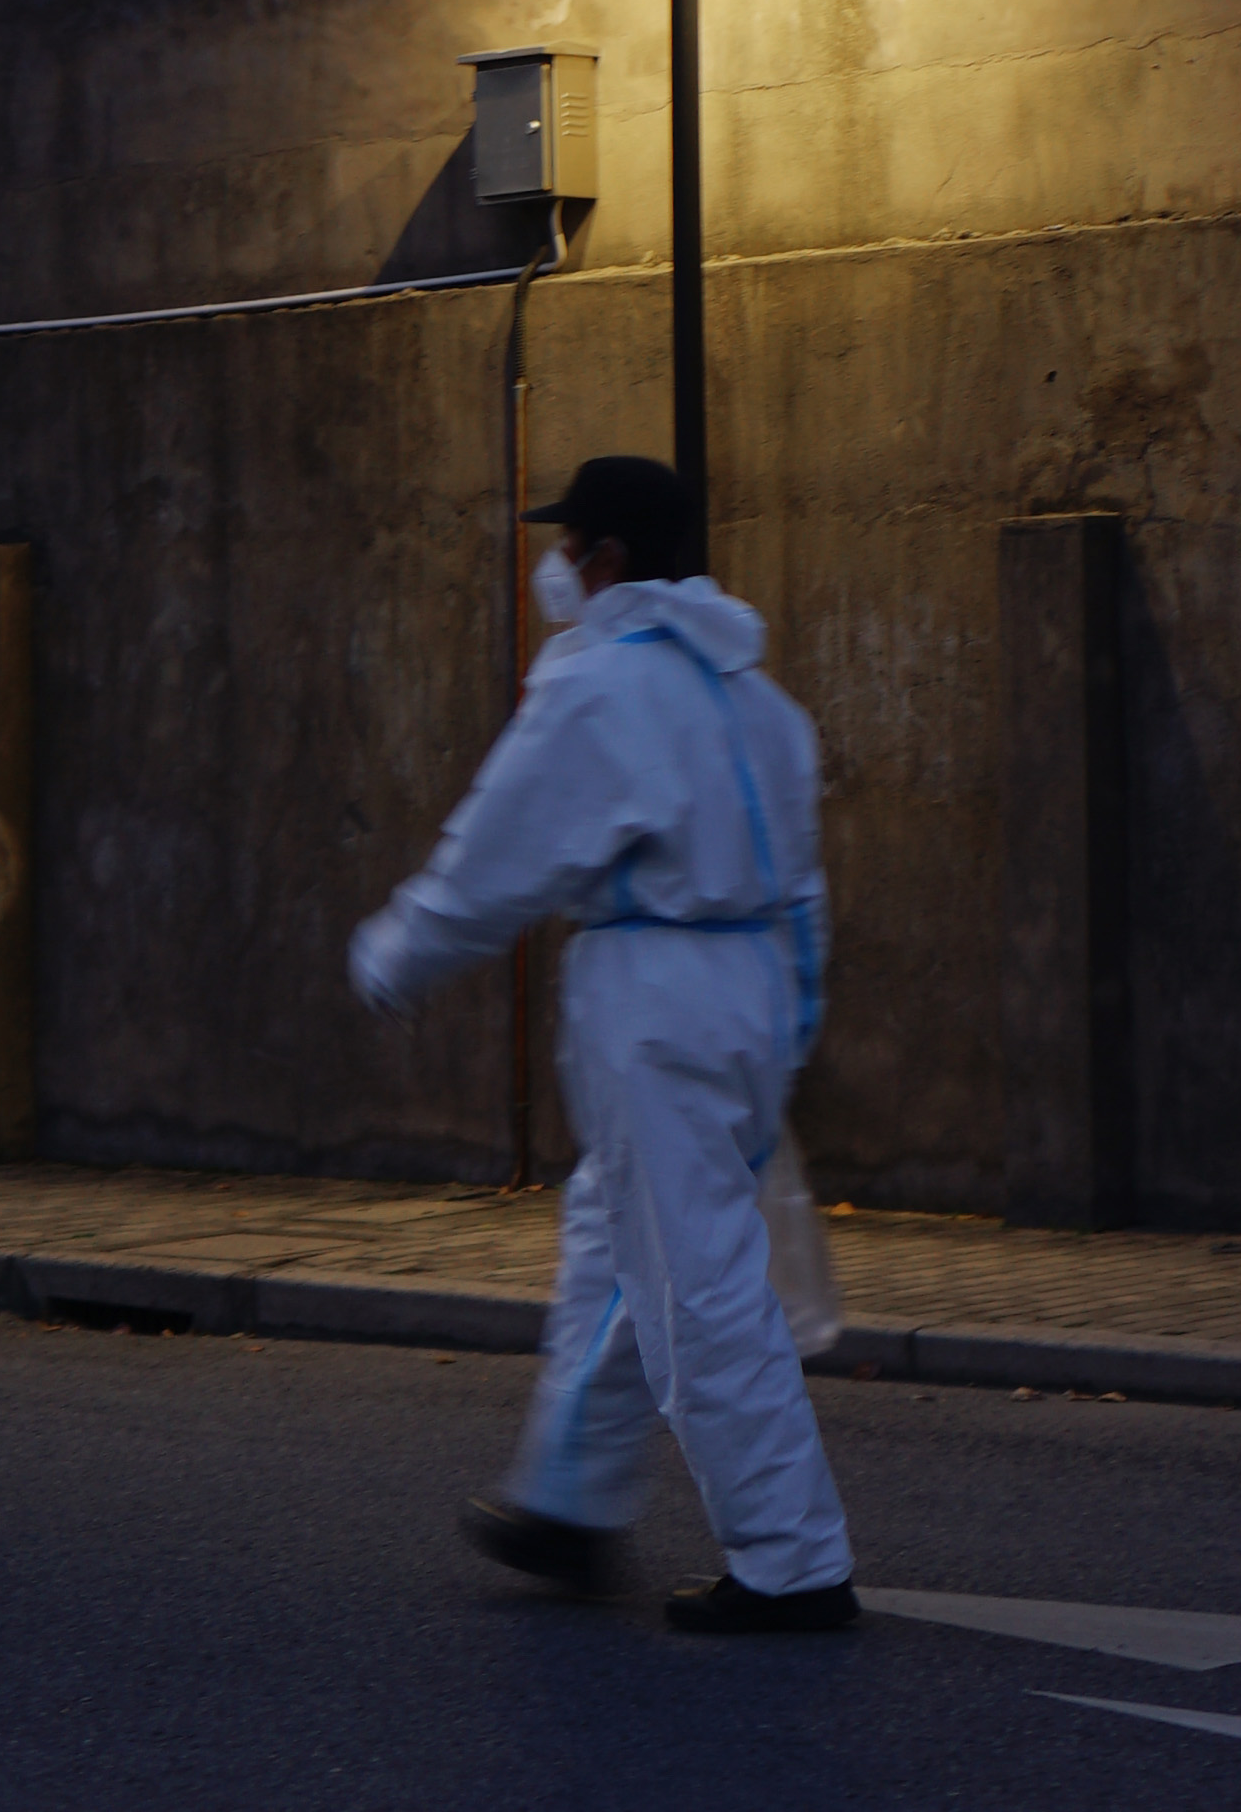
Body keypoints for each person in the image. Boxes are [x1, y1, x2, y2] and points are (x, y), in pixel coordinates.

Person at [349, 452, 859, 1634]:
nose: (558, 563)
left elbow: (494, 856)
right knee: (622, 1249)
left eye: (571, 544)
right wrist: (788, 1025)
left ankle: (792, 1562)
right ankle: (569, 1501)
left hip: (653, 992)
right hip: (752, 994)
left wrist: (393, 957)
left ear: (609, 558)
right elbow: (803, 890)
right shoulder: (759, 700)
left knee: (691, 1283)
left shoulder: (601, 688)